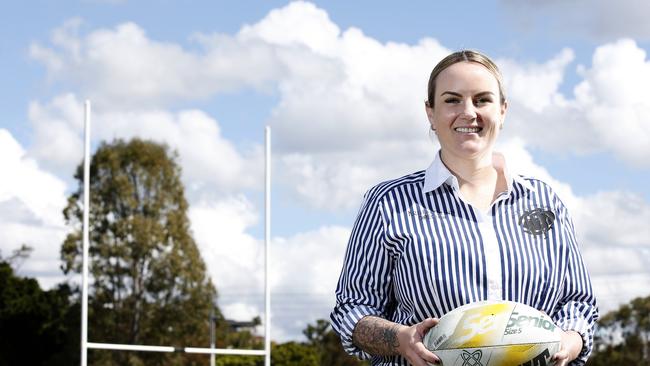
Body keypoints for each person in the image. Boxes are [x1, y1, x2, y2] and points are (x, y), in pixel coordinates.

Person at [330, 50, 598, 366]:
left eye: (482, 100)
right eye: (452, 100)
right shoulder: (388, 202)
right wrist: (401, 338)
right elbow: (353, 309)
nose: (468, 112)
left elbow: (578, 303)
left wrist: (568, 340)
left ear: (503, 110)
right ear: (430, 112)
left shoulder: (544, 201)